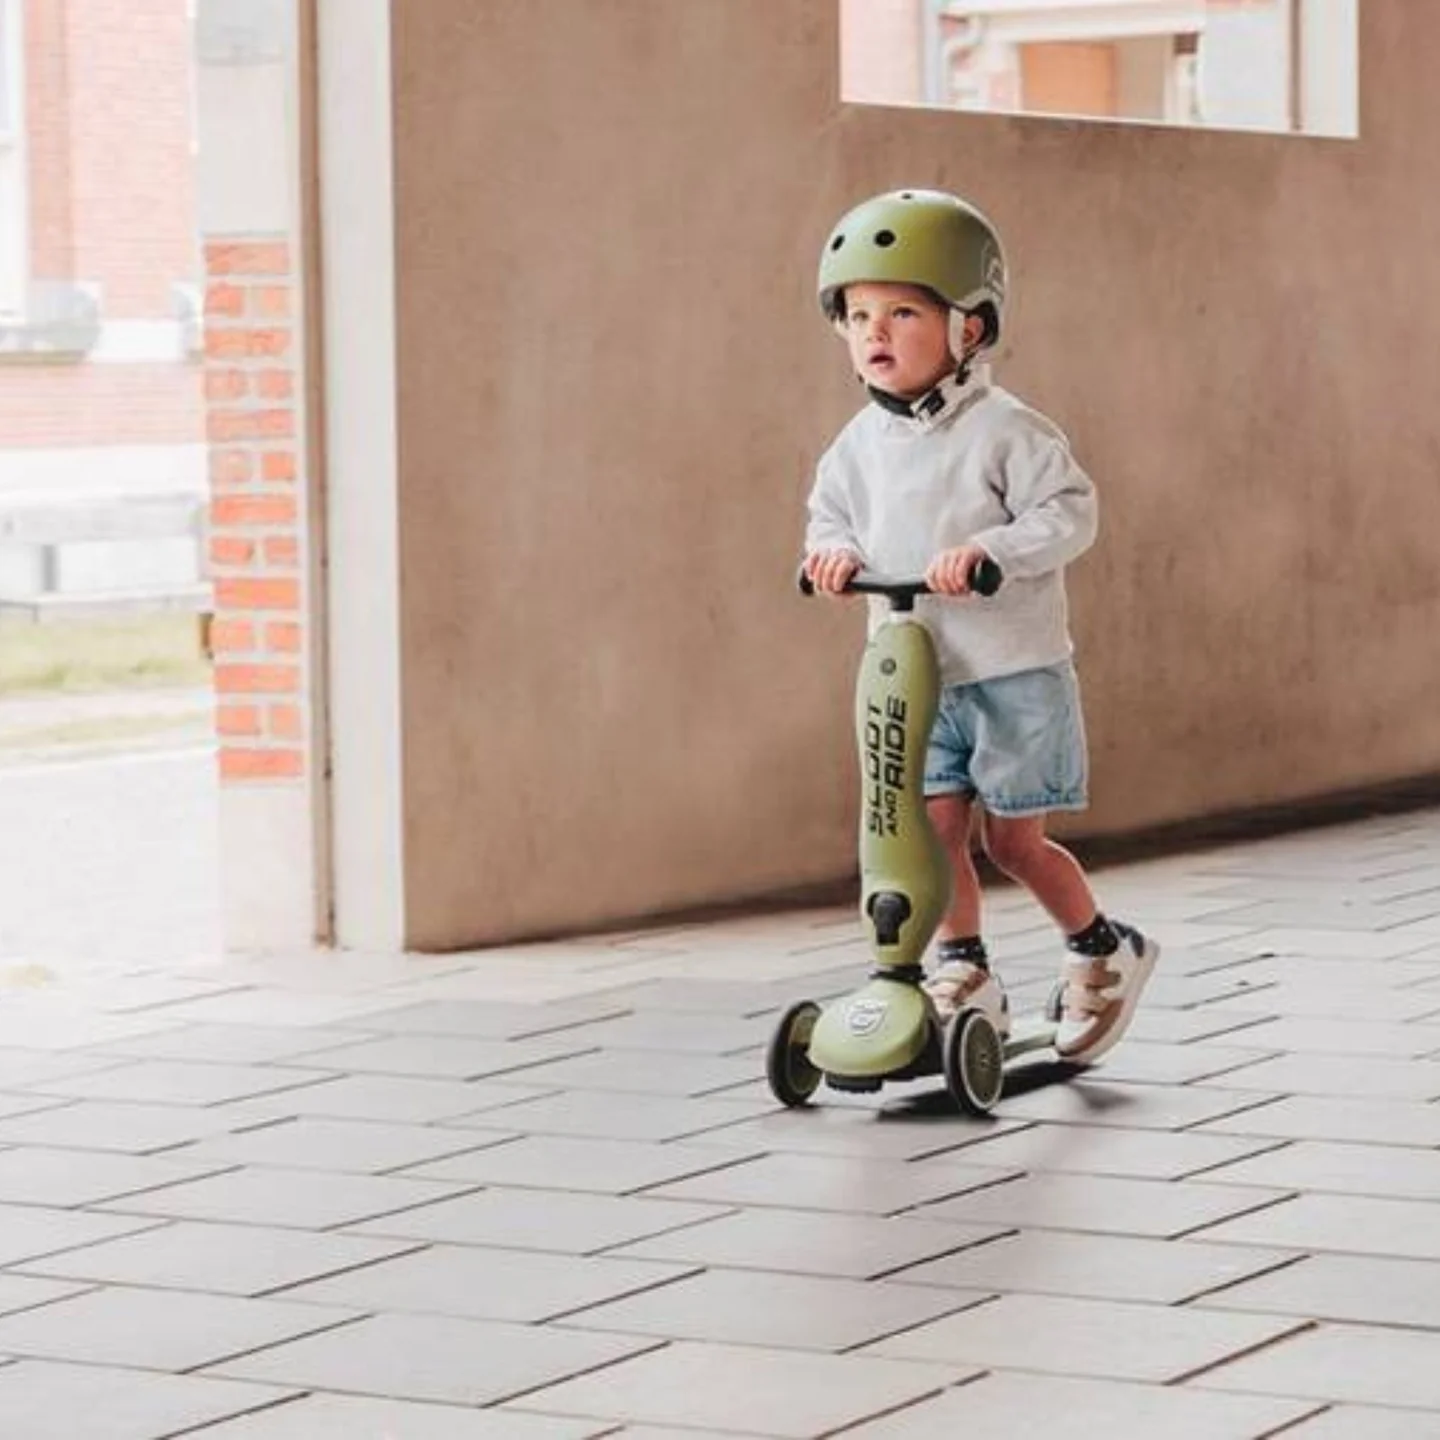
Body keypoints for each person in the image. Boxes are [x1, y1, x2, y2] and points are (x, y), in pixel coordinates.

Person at [801, 188, 1157, 1064]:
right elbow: (828, 515)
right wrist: (831, 555)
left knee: (1013, 842)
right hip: (916, 673)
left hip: (1011, 672)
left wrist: (991, 552)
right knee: (930, 835)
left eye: (903, 313)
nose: (875, 332)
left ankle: (1102, 950)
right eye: (858, 315)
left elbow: (1069, 511)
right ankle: (964, 967)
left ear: (969, 326)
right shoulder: (857, 445)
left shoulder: (1005, 429)